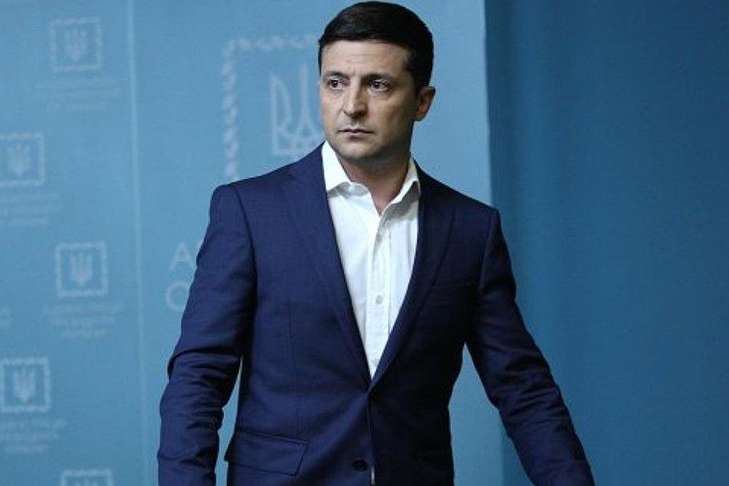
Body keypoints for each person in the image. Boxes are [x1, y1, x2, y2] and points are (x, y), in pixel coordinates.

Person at [158, 2, 594, 485]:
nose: (352, 106)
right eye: (335, 82)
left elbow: (522, 389)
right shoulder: (250, 212)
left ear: (422, 101)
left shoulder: (470, 230)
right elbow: (199, 376)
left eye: (378, 85)